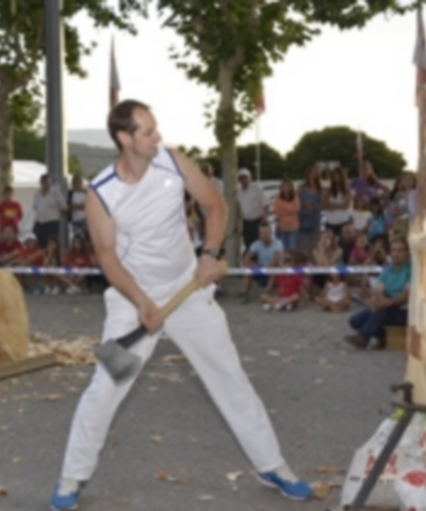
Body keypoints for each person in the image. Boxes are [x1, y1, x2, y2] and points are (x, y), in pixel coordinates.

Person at [50, 100, 311, 511]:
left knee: (229, 378)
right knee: (105, 388)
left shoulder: (171, 161)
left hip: (188, 291)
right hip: (130, 302)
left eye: (156, 129)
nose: (158, 136)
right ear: (125, 139)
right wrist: (140, 303)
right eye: (148, 132)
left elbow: (215, 205)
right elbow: (106, 258)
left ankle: (272, 465)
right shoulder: (101, 193)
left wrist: (209, 253)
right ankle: (72, 476)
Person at [345, 238, 411, 350]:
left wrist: (387, 302)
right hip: (384, 305)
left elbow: (406, 295)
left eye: (400, 251)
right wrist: (374, 300)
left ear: (407, 253)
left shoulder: (412, 269)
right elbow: (378, 289)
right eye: (394, 250)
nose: (396, 254)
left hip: (403, 310)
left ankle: (363, 338)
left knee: (383, 306)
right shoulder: (388, 270)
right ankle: (383, 336)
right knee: (354, 321)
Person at [240, 223, 284, 303]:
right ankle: (245, 293)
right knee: (249, 270)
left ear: (271, 233)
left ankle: (266, 293)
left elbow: (279, 255)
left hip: (272, 269)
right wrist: (250, 264)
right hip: (260, 269)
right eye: (262, 233)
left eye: (266, 232)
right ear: (259, 234)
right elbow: (247, 257)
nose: (264, 235)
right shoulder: (256, 244)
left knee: (273, 270)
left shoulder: (278, 243)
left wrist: (269, 267)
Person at [237, 167, 267, 252]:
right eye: (241, 178)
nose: (244, 180)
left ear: (250, 178)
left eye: (245, 177)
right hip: (246, 222)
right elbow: (238, 206)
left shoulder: (256, 188)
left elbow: (265, 204)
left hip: (257, 221)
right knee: (248, 245)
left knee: (259, 244)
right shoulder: (238, 192)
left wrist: (264, 216)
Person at [33, 174, 67, 246]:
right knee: (37, 243)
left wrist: (57, 216)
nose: (45, 184)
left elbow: (64, 207)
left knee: (50, 244)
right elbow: (35, 207)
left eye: (47, 182)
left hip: (51, 223)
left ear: (50, 183)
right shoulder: (37, 193)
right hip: (39, 223)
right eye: (43, 182)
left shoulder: (56, 193)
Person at [297, 165, 323, 256]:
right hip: (302, 219)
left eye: (315, 173)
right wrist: (303, 205)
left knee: (314, 246)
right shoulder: (301, 188)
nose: (312, 175)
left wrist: (314, 206)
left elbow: (323, 205)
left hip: (315, 219)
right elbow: (296, 203)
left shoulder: (320, 188)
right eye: (311, 173)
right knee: (302, 247)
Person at [272, 178, 300, 252]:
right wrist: (289, 210)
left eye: (288, 186)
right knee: (281, 250)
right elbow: (276, 210)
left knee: (291, 250)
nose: (286, 188)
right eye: (284, 186)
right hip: (281, 228)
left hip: (293, 228)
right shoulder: (277, 198)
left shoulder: (295, 198)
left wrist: (283, 208)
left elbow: (295, 209)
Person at [321, 167, 352, 235]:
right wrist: (341, 205)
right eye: (334, 175)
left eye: (338, 175)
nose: (336, 177)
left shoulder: (347, 190)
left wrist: (331, 206)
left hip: (343, 221)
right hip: (330, 222)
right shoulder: (328, 190)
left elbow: (346, 206)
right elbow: (324, 206)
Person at [67, 175, 88, 241]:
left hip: (85, 220)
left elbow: (87, 206)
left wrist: (76, 206)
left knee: (86, 238)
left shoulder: (85, 193)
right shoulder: (70, 193)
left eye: (79, 182)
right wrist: (81, 206)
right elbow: (69, 206)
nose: (77, 184)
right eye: (75, 183)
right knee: (77, 238)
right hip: (75, 220)